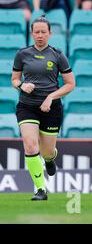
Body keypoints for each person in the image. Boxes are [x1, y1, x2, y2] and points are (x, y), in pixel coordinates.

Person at [11, 15, 75, 200]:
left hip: (51, 108)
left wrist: (51, 97)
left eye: (43, 32)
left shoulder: (57, 55)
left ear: (50, 33)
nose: (40, 35)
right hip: (27, 106)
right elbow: (14, 79)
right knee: (31, 146)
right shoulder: (22, 54)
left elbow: (70, 84)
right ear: (31, 33)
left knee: (46, 151)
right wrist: (21, 85)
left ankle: (49, 158)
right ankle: (40, 189)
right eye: (36, 32)